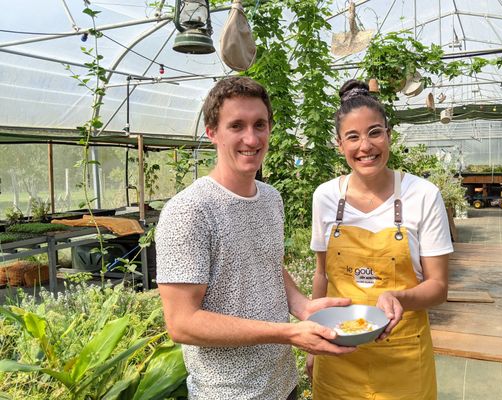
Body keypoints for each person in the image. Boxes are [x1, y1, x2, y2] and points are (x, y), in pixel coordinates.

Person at [155, 76, 355, 400]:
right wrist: (289, 333)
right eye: (237, 126)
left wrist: (303, 307)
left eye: (259, 124)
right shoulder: (189, 211)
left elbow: (268, 265)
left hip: (282, 384)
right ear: (212, 133)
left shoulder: (270, 198)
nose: (251, 137)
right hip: (228, 393)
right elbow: (182, 322)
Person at [308, 79, 453, 400]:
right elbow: (322, 275)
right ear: (339, 144)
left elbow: (438, 287)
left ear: (389, 134)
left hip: (402, 356)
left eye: (375, 132)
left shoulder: (423, 195)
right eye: (353, 137)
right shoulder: (326, 197)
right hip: (338, 354)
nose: (365, 146)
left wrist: (401, 298)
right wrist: (313, 346)